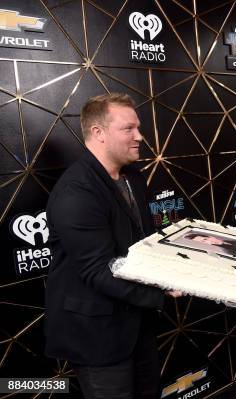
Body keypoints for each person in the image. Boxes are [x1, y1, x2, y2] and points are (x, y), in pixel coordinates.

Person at [45, 93, 180, 399]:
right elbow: (98, 271)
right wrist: (160, 289)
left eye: (138, 128)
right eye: (128, 129)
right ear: (98, 133)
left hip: (138, 326)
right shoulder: (76, 191)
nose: (139, 137)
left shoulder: (133, 176)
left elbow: (141, 246)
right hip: (97, 336)